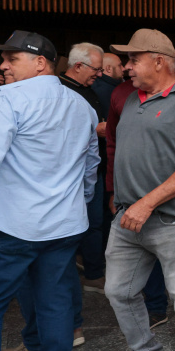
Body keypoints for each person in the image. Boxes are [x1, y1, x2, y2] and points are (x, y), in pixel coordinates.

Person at [0, 31, 99, 351]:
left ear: (40, 63)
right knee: (54, 302)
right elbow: (89, 167)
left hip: (11, 226)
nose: (2, 65)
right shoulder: (81, 106)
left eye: (12, 59)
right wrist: (77, 203)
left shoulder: (8, 100)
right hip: (64, 226)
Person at [105, 29, 175, 351]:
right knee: (118, 292)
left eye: (133, 59)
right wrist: (118, 195)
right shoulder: (131, 98)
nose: (127, 67)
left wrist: (146, 203)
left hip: (169, 220)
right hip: (127, 218)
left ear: (159, 61)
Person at [59, 43, 109, 293]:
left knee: (95, 222)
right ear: (78, 66)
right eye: (96, 69)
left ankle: (92, 271)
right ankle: (88, 272)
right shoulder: (60, 90)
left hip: (95, 167)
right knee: (82, 224)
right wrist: (95, 130)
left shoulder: (88, 88)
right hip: (74, 172)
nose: (99, 75)